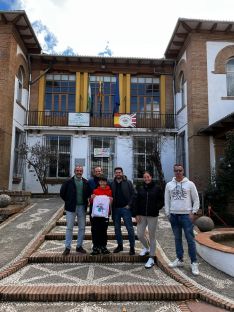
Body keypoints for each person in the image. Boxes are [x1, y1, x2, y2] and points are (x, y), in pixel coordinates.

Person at [164, 164, 200, 275]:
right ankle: (179, 259)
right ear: (174, 172)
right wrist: (168, 214)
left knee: (190, 240)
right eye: (176, 170)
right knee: (177, 239)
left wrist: (193, 212)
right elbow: (167, 200)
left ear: (183, 171)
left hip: (186, 216)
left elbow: (196, 199)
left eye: (180, 170)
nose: (178, 172)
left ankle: (194, 262)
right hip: (174, 216)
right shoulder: (169, 185)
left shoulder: (190, 184)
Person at [133, 171, 164, 269]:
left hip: (152, 216)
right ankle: (146, 247)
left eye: (148, 177)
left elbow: (161, 201)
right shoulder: (140, 188)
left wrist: (156, 208)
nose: (146, 179)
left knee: (152, 236)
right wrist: (136, 214)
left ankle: (151, 258)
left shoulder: (157, 188)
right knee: (140, 234)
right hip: (141, 215)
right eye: (145, 177)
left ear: (151, 177)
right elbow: (136, 201)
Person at [60, 165, 90, 255]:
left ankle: (79, 246)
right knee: (69, 228)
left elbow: (88, 193)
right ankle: (67, 247)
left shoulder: (85, 182)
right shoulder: (68, 181)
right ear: (74, 171)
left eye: (80, 171)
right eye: (77, 170)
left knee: (82, 228)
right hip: (71, 208)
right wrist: (69, 201)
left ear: (82, 172)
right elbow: (62, 193)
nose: (79, 172)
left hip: (82, 208)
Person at [110, 167, 136, 255]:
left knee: (129, 228)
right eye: (116, 173)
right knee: (117, 229)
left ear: (122, 173)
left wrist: (129, 205)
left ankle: (132, 247)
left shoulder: (128, 182)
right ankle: (120, 246)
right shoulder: (112, 183)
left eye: (119, 172)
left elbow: (134, 194)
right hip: (115, 209)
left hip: (126, 209)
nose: (118, 174)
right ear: (114, 174)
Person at [90, 175, 113, 255]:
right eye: (101, 181)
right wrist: (92, 198)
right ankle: (95, 247)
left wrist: (111, 200)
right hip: (96, 215)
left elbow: (110, 204)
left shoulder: (109, 191)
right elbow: (92, 202)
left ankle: (103, 246)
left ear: (106, 182)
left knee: (104, 231)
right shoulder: (95, 191)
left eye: (104, 181)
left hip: (105, 215)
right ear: (99, 182)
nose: (102, 183)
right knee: (95, 231)